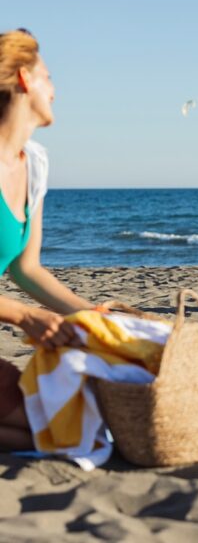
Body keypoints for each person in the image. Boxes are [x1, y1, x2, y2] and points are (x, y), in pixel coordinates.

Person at [0, 29, 93, 450]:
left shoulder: (34, 163)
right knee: (44, 428)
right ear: (24, 79)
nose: (55, 91)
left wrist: (96, 316)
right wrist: (23, 316)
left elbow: (26, 267)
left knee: (60, 426)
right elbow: (23, 302)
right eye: (49, 78)